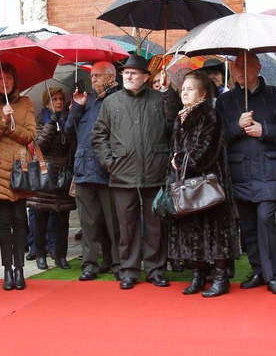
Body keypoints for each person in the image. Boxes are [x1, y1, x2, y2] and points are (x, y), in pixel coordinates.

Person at [92, 52, 180, 290]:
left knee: (155, 225)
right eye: (125, 73)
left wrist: (168, 92)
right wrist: (109, 162)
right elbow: (99, 135)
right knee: (127, 226)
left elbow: (174, 123)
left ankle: (155, 269)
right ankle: (129, 270)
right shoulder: (111, 102)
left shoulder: (159, 98)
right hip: (122, 172)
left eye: (133, 73)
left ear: (145, 77)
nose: (128, 76)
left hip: (155, 170)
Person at [216, 51, 276, 295]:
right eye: (236, 67)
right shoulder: (226, 101)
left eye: (244, 66)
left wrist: (265, 130)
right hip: (239, 170)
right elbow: (219, 138)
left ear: (258, 67)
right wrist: (237, 127)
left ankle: (273, 274)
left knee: (265, 219)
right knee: (248, 224)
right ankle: (258, 269)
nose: (239, 71)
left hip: (269, 168)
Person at [166, 71, 239, 297]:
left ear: (203, 92)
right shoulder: (180, 116)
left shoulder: (210, 115)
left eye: (190, 89)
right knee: (192, 230)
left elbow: (205, 152)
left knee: (215, 232)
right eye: (183, 89)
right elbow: (175, 147)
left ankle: (220, 277)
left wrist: (180, 160)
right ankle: (197, 276)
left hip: (209, 182)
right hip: (187, 183)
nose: (184, 92)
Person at [0, 63, 36, 291]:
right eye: (0, 79)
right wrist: (1, 120)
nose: (5, 82)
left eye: (9, 78)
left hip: (20, 169)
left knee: (20, 220)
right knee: (4, 222)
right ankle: (7, 270)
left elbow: (31, 134)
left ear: (15, 81)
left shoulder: (26, 103)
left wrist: (10, 125)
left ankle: (20, 269)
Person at [66, 60, 121, 281]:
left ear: (110, 77)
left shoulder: (117, 99)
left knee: (112, 221)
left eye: (97, 76)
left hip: (107, 169)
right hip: (83, 168)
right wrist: (77, 107)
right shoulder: (86, 100)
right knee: (88, 223)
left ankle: (116, 262)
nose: (93, 80)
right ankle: (90, 263)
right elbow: (69, 131)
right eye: (92, 76)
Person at [26, 87, 76, 270]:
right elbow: (39, 145)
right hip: (45, 173)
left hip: (62, 174)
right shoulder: (41, 120)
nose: (59, 102)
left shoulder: (67, 119)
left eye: (61, 99)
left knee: (63, 218)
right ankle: (40, 254)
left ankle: (61, 256)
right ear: (47, 102)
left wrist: (67, 123)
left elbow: (71, 144)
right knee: (41, 217)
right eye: (54, 99)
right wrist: (51, 124)